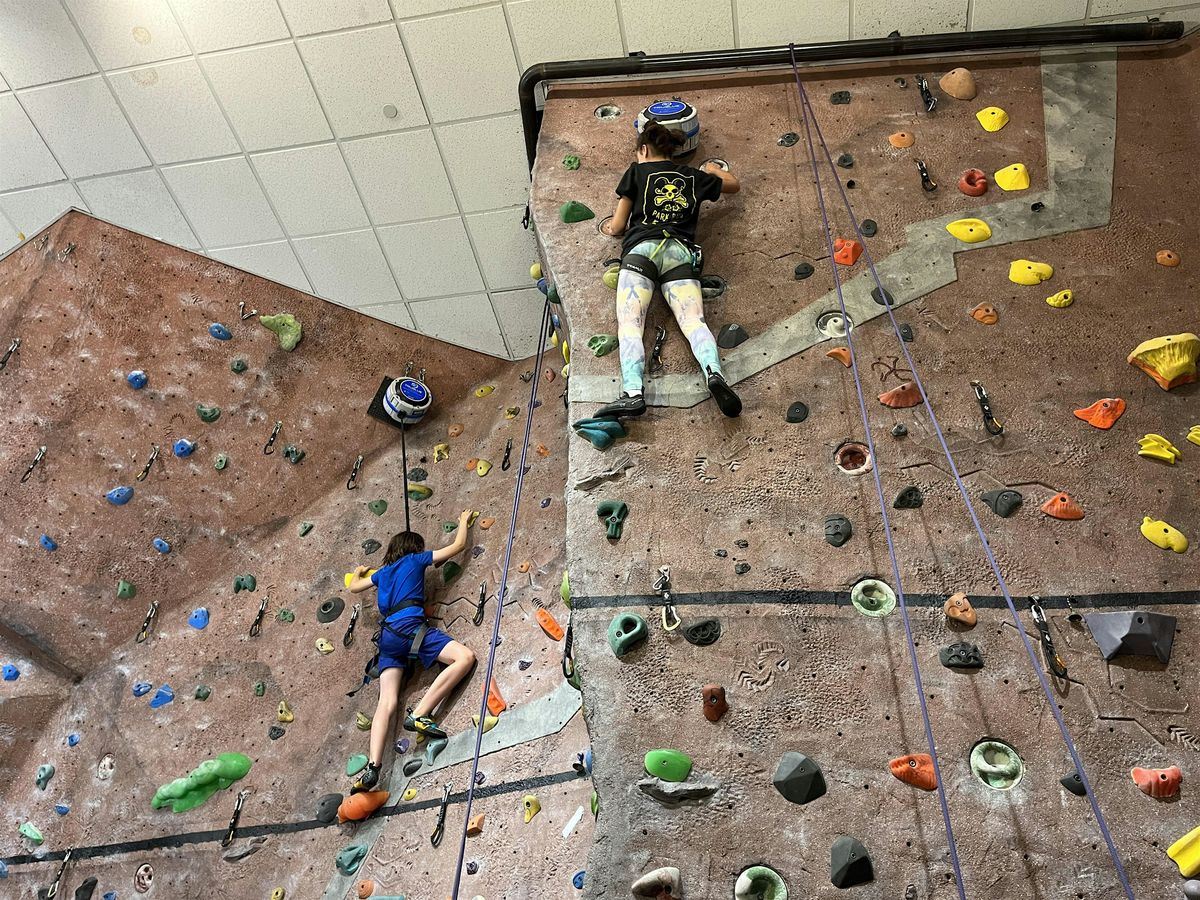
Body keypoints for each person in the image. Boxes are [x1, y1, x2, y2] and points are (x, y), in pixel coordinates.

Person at [596, 120, 742, 419]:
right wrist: (712, 171)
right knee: (694, 322)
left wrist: (609, 228)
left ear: (644, 149)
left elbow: (619, 225)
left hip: (642, 252)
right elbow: (734, 185)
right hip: (680, 253)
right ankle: (715, 375)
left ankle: (633, 393)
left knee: (631, 325)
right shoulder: (692, 176)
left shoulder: (636, 172)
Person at [346, 510, 477, 791]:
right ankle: (420, 713)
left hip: (388, 639)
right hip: (410, 629)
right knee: (464, 658)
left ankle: (373, 767)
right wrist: (464, 521)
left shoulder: (382, 574)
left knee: (387, 702)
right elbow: (457, 547)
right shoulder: (416, 559)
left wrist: (358, 572)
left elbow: (355, 587)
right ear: (414, 548)